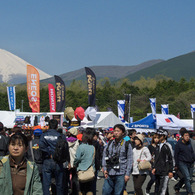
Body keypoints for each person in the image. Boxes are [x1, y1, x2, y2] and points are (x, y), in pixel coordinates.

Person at [39, 119, 70, 195]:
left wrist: (49, 152)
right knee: (59, 184)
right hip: (58, 161)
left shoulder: (44, 135)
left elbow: (41, 146)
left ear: (49, 126)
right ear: (57, 126)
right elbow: (66, 148)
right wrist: (67, 160)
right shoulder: (61, 136)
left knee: (46, 184)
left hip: (47, 160)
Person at [102, 124, 133, 195]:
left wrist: (127, 174)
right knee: (106, 192)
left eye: (118, 131)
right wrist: (104, 168)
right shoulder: (110, 143)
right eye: (115, 131)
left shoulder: (127, 144)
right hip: (109, 172)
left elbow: (130, 160)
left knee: (118, 193)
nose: (116, 133)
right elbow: (104, 155)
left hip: (121, 173)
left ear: (123, 133)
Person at [152, 129, 173, 195]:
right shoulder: (158, 146)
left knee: (162, 190)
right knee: (158, 188)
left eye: (160, 135)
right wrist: (154, 167)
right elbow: (156, 159)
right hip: (158, 170)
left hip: (165, 171)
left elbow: (171, 158)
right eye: (158, 135)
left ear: (165, 136)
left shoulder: (167, 146)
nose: (158, 137)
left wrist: (170, 171)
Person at [74, 131, 95, 195]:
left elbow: (77, 158)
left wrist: (75, 164)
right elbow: (93, 160)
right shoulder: (92, 147)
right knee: (89, 188)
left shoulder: (81, 147)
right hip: (90, 169)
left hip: (81, 169)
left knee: (81, 188)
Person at [174, 129, 195, 195]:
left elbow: (192, 152)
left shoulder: (189, 143)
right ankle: (190, 192)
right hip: (182, 163)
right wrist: (176, 165)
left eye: (188, 135)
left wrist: (193, 159)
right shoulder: (179, 144)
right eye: (186, 135)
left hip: (190, 162)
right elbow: (176, 155)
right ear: (182, 136)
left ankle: (177, 187)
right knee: (188, 178)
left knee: (186, 178)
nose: (187, 137)